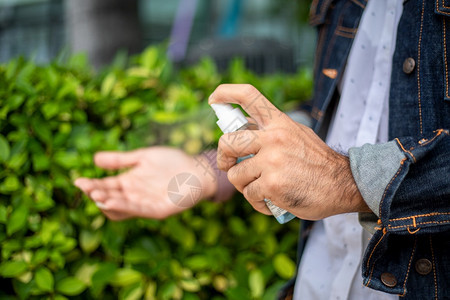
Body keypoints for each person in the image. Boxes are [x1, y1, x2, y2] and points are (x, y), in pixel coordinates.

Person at [75, 0, 450, 299]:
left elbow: (332, 164)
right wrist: (208, 170)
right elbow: (333, 117)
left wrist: (345, 179)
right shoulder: (346, 5)